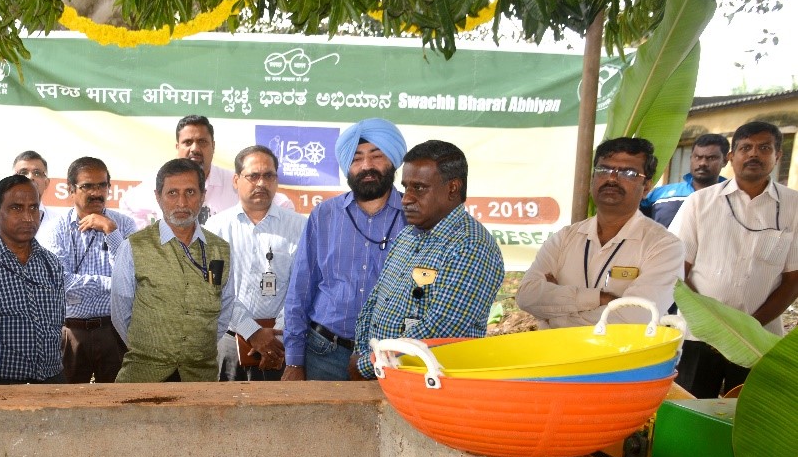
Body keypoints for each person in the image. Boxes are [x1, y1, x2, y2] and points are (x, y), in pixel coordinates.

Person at [353, 140, 504, 379]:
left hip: (429, 388)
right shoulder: (407, 235)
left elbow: (442, 331)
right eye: (405, 187)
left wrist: (365, 366)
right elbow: (375, 302)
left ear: (453, 189)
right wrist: (363, 355)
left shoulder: (471, 246)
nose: (406, 199)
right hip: (384, 375)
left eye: (419, 188)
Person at [670, 120, 798, 397]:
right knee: (691, 412)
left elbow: (792, 280)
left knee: (750, 418)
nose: (754, 154)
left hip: (759, 339)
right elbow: (678, 270)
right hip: (699, 336)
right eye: (745, 148)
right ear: (732, 157)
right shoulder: (699, 203)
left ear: (778, 156)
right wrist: (714, 325)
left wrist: (746, 328)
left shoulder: (794, 206)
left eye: (764, 148)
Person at [282, 118, 408, 381]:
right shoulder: (325, 215)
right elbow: (300, 289)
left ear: (394, 161)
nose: (367, 166)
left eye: (377, 156)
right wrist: (294, 361)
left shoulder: (414, 217)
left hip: (394, 359)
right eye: (356, 158)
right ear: (346, 166)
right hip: (324, 353)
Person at [516, 138, 684, 329]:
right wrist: (599, 298)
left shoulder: (664, 246)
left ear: (646, 186)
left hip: (622, 357)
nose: (612, 178)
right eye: (604, 170)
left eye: (628, 173)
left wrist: (553, 317)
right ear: (592, 179)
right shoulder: (565, 238)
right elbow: (526, 296)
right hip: (557, 356)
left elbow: (633, 318)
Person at [111, 158, 234, 382]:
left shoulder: (221, 249)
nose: (181, 203)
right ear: (158, 197)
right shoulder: (133, 246)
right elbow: (121, 312)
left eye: (190, 192)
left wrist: (195, 350)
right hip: (143, 378)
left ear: (203, 195)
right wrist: (151, 350)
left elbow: (224, 310)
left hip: (200, 379)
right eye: (172, 193)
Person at [206, 145, 305, 381]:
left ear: (277, 180)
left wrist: (275, 337)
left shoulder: (299, 226)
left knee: (278, 416)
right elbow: (213, 289)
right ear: (236, 180)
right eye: (253, 176)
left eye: (268, 175)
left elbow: (300, 289)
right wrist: (252, 332)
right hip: (229, 342)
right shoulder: (215, 228)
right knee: (226, 414)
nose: (261, 183)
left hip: (282, 345)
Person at [50, 156, 138, 383]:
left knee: (118, 404)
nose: (96, 192)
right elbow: (64, 285)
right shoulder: (57, 229)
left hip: (114, 330)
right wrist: (111, 283)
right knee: (68, 404)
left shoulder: (124, 225)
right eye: (87, 186)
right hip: (72, 333)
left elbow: (131, 278)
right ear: (71, 189)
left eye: (102, 185)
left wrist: (111, 232)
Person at [119, 115, 294, 226]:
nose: (195, 149)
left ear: (213, 147)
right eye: (188, 142)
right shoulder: (159, 183)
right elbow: (127, 205)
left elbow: (283, 204)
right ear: (177, 147)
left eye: (202, 142)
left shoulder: (234, 182)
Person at [0, 175, 65, 384]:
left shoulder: (51, 264)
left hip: (53, 380)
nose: (28, 217)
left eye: (33, 208)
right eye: (16, 208)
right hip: (1, 383)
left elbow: (58, 322)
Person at [642, 133, 729, 229]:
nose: (702, 163)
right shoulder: (660, 195)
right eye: (698, 157)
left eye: (711, 158)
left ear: (725, 161)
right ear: (691, 158)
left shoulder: (733, 197)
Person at [12, 149, 65, 246]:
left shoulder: (59, 222)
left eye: (37, 173)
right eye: (23, 172)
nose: (30, 177)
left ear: (46, 183)